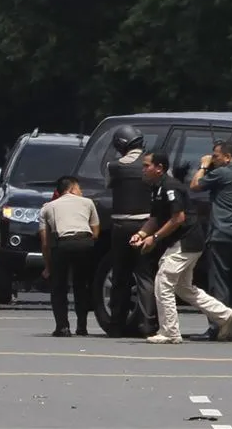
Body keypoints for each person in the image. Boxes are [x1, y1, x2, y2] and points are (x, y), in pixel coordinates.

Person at [133, 151, 232, 344]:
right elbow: (155, 218)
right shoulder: (157, 188)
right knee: (184, 287)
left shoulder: (170, 187)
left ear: (159, 168)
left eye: (146, 165)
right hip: (185, 243)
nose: (143, 169)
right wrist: (141, 234)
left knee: (163, 280)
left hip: (186, 241)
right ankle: (225, 315)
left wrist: (154, 238)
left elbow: (178, 218)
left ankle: (169, 331)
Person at [188, 140, 232, 341]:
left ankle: (217, 326)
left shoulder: (222, 173)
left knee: (218, 282)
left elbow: (194, 185)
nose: (213, 159)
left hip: (222, 232)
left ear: (228, 157)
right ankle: (231, 326)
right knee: (230, 280)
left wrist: (203, 166)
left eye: (216, 156)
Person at [105, 125, 159, 337]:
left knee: (120, 275)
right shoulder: (151, 165)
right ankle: (147, 324)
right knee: (145, 276)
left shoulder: (114, 166)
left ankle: (116, 324)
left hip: (120, 225)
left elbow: (108, 185)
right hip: (145, 225)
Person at [39, 176, 100, 337]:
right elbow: (95, 232)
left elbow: (45, 241)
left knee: (59, 287)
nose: (81, 192)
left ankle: (62, 326)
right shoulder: (88, 203)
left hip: (62, 244)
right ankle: (82, 326)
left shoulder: (48, 207)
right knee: (81, 285)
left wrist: (48, 265)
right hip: (84, 242)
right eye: (79, 188)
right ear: (72, 188)